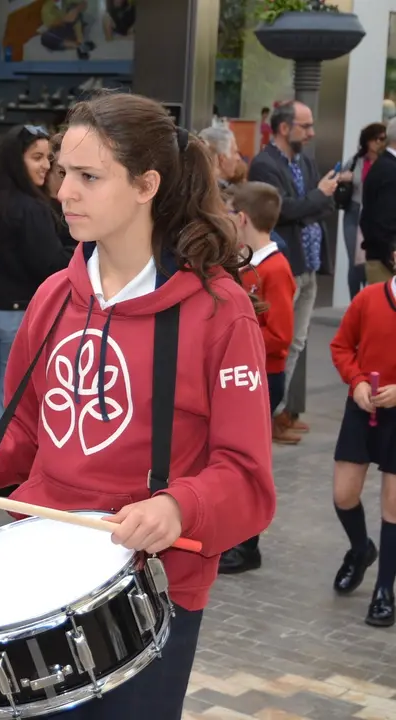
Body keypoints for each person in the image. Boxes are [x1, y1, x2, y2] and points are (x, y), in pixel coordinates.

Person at [0, 91, 277, 719]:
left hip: (150, 591)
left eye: (89, 177)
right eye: (62, 172)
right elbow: (27, 424)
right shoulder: (56, 294)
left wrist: (176, 505)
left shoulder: (220, 312)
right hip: (37, 570)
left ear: (146, 185)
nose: (64, 192)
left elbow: (248, 481)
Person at [0, 124, 71, 440]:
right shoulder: (31, 209)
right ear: (15, 160)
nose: (46, 165)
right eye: (36, 157)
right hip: (17, 314)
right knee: (9, 399)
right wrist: (80, 245)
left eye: (47, 158)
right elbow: (51, 265)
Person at [248, 100, 337, 435]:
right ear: (285, 128)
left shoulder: (306, 162)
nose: (312, 133)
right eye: (306, 126)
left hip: (310, 264)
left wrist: (311, 201)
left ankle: (278, 410)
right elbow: (282, 211)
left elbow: (319, 205)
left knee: (297, 342)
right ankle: (266, 407)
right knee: (278, 338)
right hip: (288, 264)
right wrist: (313, 199)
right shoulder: (265, 164)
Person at [219, 182, 296, 574]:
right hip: (252, 373)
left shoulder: (275, 269)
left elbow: (281, 335)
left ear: (242, 218)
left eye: (230, 212)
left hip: (265, 374)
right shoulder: (253, 265)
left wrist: (235, 338)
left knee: (249, 460)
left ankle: (248, 546)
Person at [328, 255, 396, 628]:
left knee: (393, 504)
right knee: (344, 494)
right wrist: (356, 383)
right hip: (362, 407)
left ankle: (384, 590)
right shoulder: (368, 299)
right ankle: (360, 550)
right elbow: (340, 347)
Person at [339, 122, 385, 299]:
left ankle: (369, 300)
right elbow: (339, 179)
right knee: (355, 262)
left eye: (383, 139)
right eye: (377, 139)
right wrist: (344, 179)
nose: (380, 142)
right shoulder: (356, 161)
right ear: (368, 141)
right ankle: (355, 302)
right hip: (354, 212)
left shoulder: (386, 163)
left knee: (371, 261)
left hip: (375, 214)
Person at [358, 118, 396, 286]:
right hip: (385, 264)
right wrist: (391, 254)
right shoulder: (389, 170)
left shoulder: (385, 166)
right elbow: (384, 221)